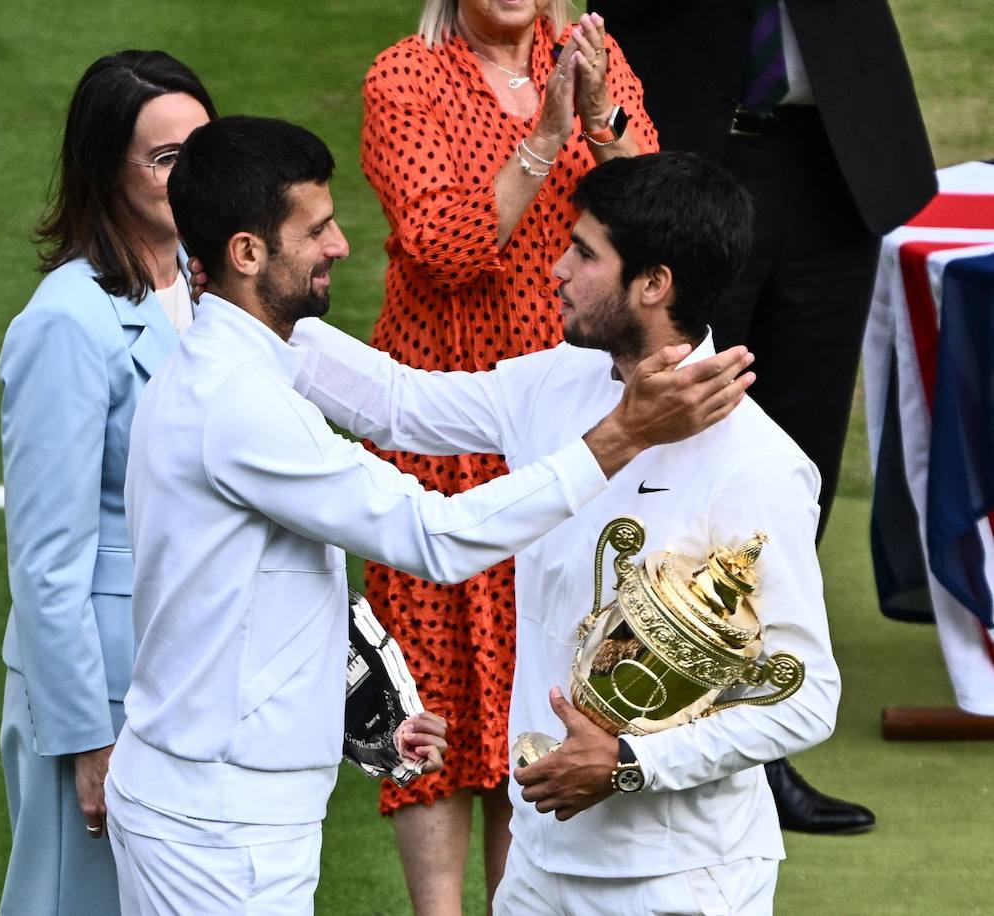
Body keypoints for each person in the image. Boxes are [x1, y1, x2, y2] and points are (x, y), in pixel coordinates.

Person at [104, 117, 754, 915]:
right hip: (218, 824)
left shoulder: (259, 351)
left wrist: (344, 717)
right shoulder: (238, 401)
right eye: (318, 229)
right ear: (247, 254)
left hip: (229, 807)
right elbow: (432, 536)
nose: (342, 245)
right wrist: (622, 435)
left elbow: (396, 403)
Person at [290, 151, 838, 914]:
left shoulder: (758, 465)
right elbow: (395, 402)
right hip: (539, 869)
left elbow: (804, 698)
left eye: (583, 252)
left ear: (654, 284)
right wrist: (243, 310)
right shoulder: (555, 382)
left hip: (682, 883)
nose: (554, 269)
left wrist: (629, 761)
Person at [586, 0, 936, 836]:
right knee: (681, 434)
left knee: (796, 450)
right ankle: (638, 711)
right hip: (688, 147)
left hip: (834, 158)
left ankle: (752, 734)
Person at [358, 1, 656, 904]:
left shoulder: (598, 60)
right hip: (445, 415)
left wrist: (600, 119)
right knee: (437, 688)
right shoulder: (403, 76)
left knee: (546, 669)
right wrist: (543, 138)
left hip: (567, 411)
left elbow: (661, 215)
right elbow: (444, 249)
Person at [0, 50, 215, 916]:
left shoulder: (208, 287)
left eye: (202, 149)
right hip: (104, 696)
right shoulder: (65, 323)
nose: (188, 174)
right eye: (163, 159)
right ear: (103, 169)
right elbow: (48, 560)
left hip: (184, 677)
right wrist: (89, 740)